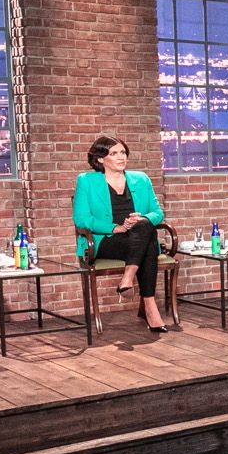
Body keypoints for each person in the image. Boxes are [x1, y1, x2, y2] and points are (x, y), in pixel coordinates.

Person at [73, 135, 170, 333]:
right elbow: (81, 219)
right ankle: (150, 309)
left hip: (136, 238)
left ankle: (128, 278)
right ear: (100, 159)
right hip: (106, 241)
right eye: (114, 153)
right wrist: (115, 227)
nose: (121, 157)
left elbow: (157, 213)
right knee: (149, 242)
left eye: (123, 152)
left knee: (144, 226)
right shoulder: (86, 181)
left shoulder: (141, 179)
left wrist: (139, 219)